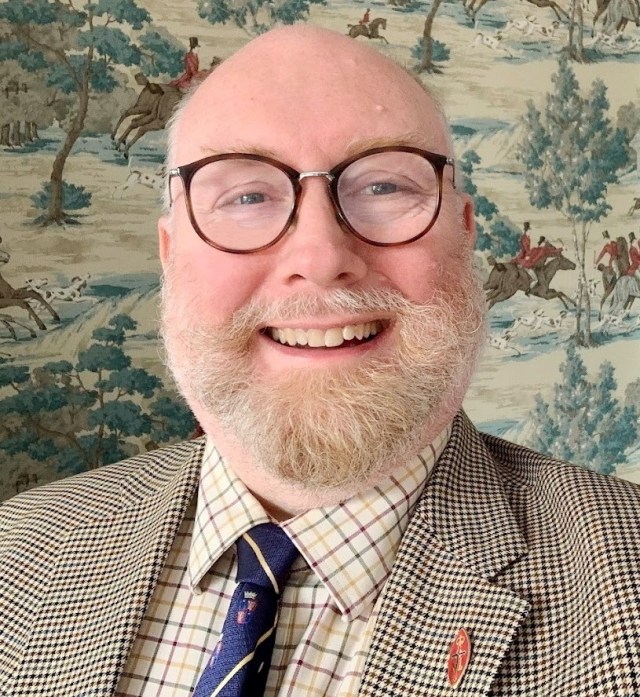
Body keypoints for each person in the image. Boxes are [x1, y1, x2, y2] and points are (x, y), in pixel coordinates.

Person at [1, 25, 640, 697]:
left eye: (384, 186)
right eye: (247, 197)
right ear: (169, 253)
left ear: (464, 231)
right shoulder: (17, 547)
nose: (320, 255)